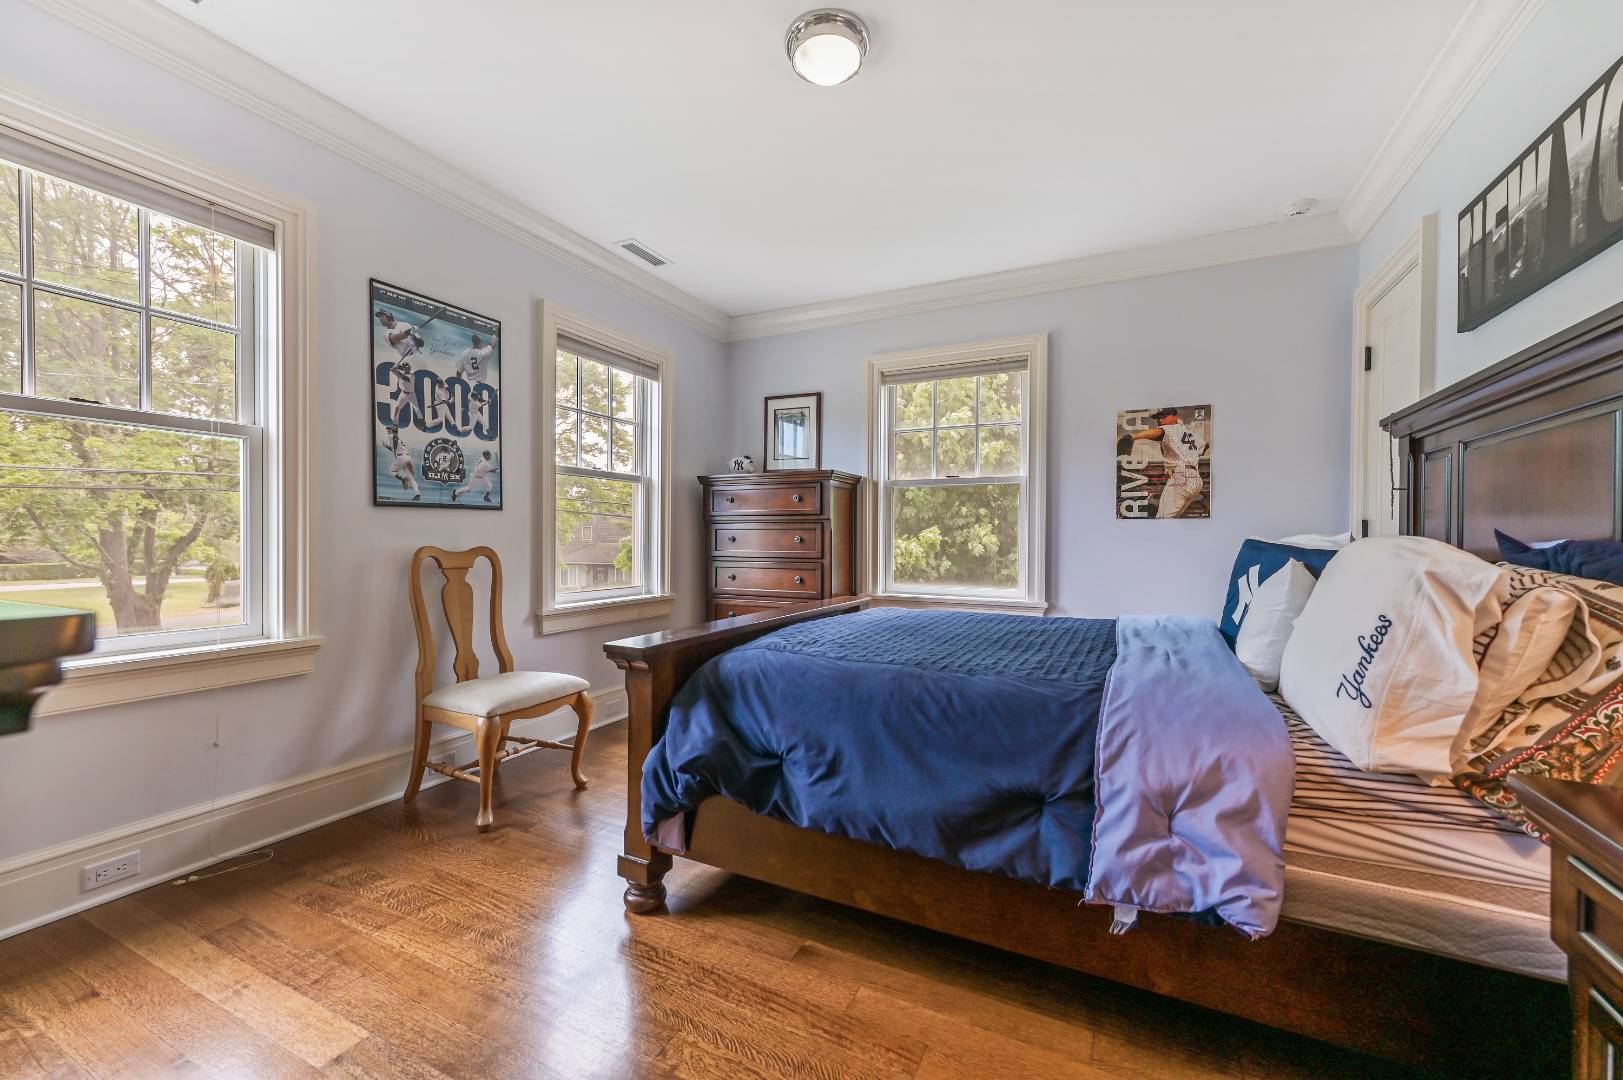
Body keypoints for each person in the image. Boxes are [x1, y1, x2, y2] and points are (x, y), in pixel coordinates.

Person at [1117, 407, 1206, 518]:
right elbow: (1204, 446)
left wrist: (1133, 436)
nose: (1160, 420)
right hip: (1196, 480)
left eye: (1164, 417)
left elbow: (1158, 432)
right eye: (1158, 418)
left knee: (1162, 519)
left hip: (1181, 478)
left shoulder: (1169, 429)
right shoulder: (1189, 433)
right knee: (1173, 519)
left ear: (1175, 417)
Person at [383, 426, 422, 501]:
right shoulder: (401, 439)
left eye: (389, 429)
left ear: (393, 430)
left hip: (401, 457)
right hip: (409, 458)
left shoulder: (391, 436)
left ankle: (403, 478)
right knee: (411, 478)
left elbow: (394, 449)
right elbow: (395, 449)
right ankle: (417, 494)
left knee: (392, 471)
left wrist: (389, 448)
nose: (388, 431)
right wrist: (387, 446)